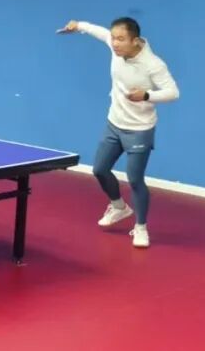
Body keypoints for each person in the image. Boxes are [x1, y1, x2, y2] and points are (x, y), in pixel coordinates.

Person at [60, 17, 180, 248]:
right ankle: (119, 207)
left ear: (135, 41)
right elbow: (100, 32)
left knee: (135, 179)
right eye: (114, 38)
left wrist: (147, 95)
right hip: (114, 124)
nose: (115, 43)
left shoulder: (153, 64)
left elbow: (173, 92)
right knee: (100, 170)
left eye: (121, 39)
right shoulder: (115, 47)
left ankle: (141, 228)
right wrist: (79, 26)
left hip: (139, 129)